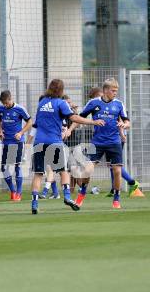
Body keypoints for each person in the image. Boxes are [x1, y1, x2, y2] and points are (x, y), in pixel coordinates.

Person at [30, 79, 104, 215]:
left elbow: (38, 122)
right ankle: (68, 197)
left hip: (39, 142)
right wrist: (93, 121)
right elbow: (75, 118)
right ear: (61, 90)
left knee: (38, 174)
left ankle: (34, 203)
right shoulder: (61, 103)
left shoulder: (42, 102)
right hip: (54, 142)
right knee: (63, 171)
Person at [72, 78, 130, 209]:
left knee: (116, 171)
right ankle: (81, 194)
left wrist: (124, 124)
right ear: (105, 90)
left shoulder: (119, 104)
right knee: (87, 170)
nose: (115, 93)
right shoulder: (93, 103)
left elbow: (128, 122)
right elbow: (79, 117)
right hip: (96, 142)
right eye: (113, 90)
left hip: (114, 142)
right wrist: (70, 129)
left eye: (116, 91)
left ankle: (116, 198)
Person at [0, 90, 32, 201]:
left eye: (7, 103)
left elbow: (30, 122)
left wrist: (21, 133)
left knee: (17, 166)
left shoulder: (20, 109)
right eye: (4, 103)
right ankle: (12, 190)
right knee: (3, 167)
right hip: (6, 142)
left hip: (18, 142)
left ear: (11, 99)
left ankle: (19, 193)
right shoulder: (0, 109)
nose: (5, 105)